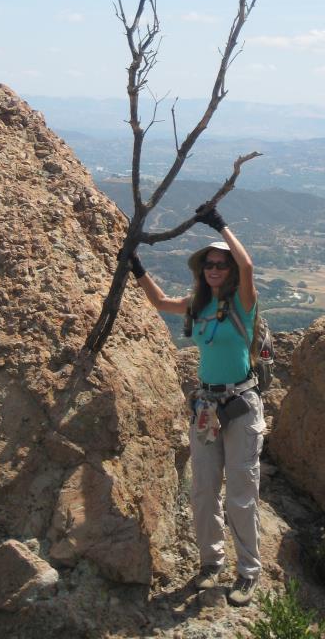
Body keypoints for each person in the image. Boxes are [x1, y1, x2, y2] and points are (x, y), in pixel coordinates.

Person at [128, 206, 265, 607]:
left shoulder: (243, 302)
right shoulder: (198, 306)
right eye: (209, 263)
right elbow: (158, 301)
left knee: (241, 492)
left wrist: (220, 223)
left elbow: (250, 265)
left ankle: (248, 572)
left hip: (240, 404)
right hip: (207, 405)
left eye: (221, 264)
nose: (215, 269)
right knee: (204, 490)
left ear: (231, 270)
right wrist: (135, 265)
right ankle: (211, 563)